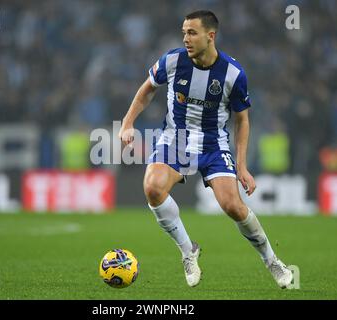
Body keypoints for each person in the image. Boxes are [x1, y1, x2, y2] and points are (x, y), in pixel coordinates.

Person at [119, 10, 293, 288]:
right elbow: (147, 88)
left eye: (192, 33)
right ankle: (188, 251)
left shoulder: (233, 74)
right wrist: (128, 122)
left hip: (213, 143)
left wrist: (242, 166)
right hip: (175, 139)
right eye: (184, 33)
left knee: (233, 206)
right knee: (152, 188)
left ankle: (272, 260)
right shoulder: (173, 60)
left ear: (210, 36)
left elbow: (242, 119)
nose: (186, 39)